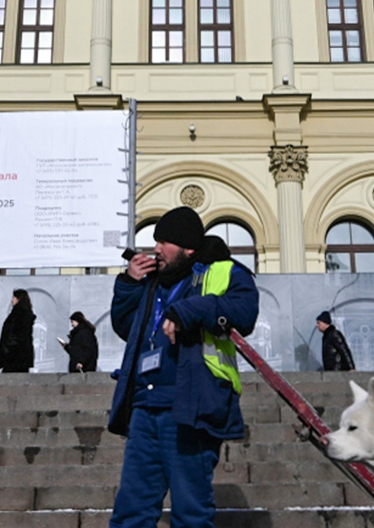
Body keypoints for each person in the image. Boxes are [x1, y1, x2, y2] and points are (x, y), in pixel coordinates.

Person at [107, 208, 258, 528]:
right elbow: (126, 327)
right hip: (145, 406)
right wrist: (129, 284)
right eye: (156, 241)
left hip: (191, 406)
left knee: (191, 512)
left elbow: (245, 311)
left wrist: (189, 310)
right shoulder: (153, 283)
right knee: (131, 510)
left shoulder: (222, 271)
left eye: (165, 242)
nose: (156, 249)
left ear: (188, 248)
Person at [0, 288, 36, 373]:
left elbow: (12, 333)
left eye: (13, 297)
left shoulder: (17, 314)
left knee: (8, 376)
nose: (12, 300)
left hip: (13, 354)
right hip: (22, 354)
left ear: (18, 299)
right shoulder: (26, 314)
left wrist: (7, 348)